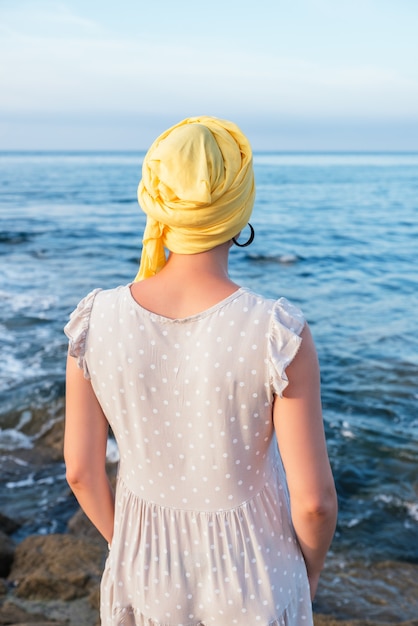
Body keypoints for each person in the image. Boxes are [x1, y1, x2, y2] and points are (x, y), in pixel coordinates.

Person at [64, 115, 337, 626]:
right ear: (240, 210)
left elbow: (80, 471)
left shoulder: (94, 321)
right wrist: (310, 571)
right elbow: (315, 503)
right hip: (256, 577)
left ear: (156, 200)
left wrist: (130, 545)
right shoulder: (278, 334)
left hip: (144, 572)